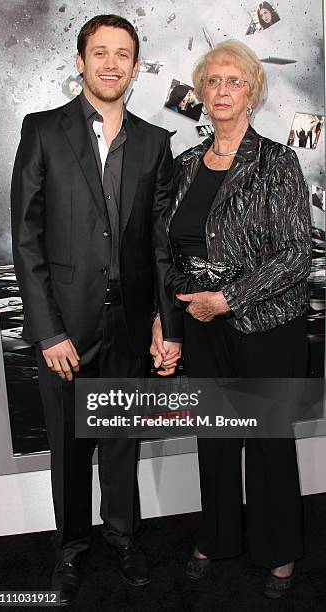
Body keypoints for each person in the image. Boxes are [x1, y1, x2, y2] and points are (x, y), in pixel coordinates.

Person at [11, 14, 181, 606]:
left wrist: (165, 322)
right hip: (66, 329)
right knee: (69, 445)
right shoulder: (42, 131)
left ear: (136, 68)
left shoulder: (158, 143)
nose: (111, 64)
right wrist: (48, 330)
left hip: (130, 324)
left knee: (119, 441)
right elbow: (26, 239)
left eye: (123, 54)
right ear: (80, 61)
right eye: (100, 53)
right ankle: (70, 549)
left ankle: (124, 536)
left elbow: (161, 245)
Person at [162, 39, 312, 599]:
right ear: (200, 93)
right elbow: (167, 255)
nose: (222, 91)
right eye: (213, 82)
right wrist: (169, 317)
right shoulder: (182, 166)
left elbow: (297, 254)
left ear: (252, 91)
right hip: (202, 327)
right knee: (216, 439)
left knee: (269, 441)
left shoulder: (277, 161)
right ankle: (220, 535)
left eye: (235, 81)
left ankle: (280, 552)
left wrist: (226, 298)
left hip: (265, 326)